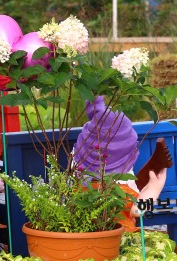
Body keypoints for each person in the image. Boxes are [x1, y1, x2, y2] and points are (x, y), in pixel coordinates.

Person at [72, 96, 168, 230]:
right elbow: (137, 211)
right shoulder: (119, 192)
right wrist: (154, 188)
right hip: (120, 238)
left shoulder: (79, 188)